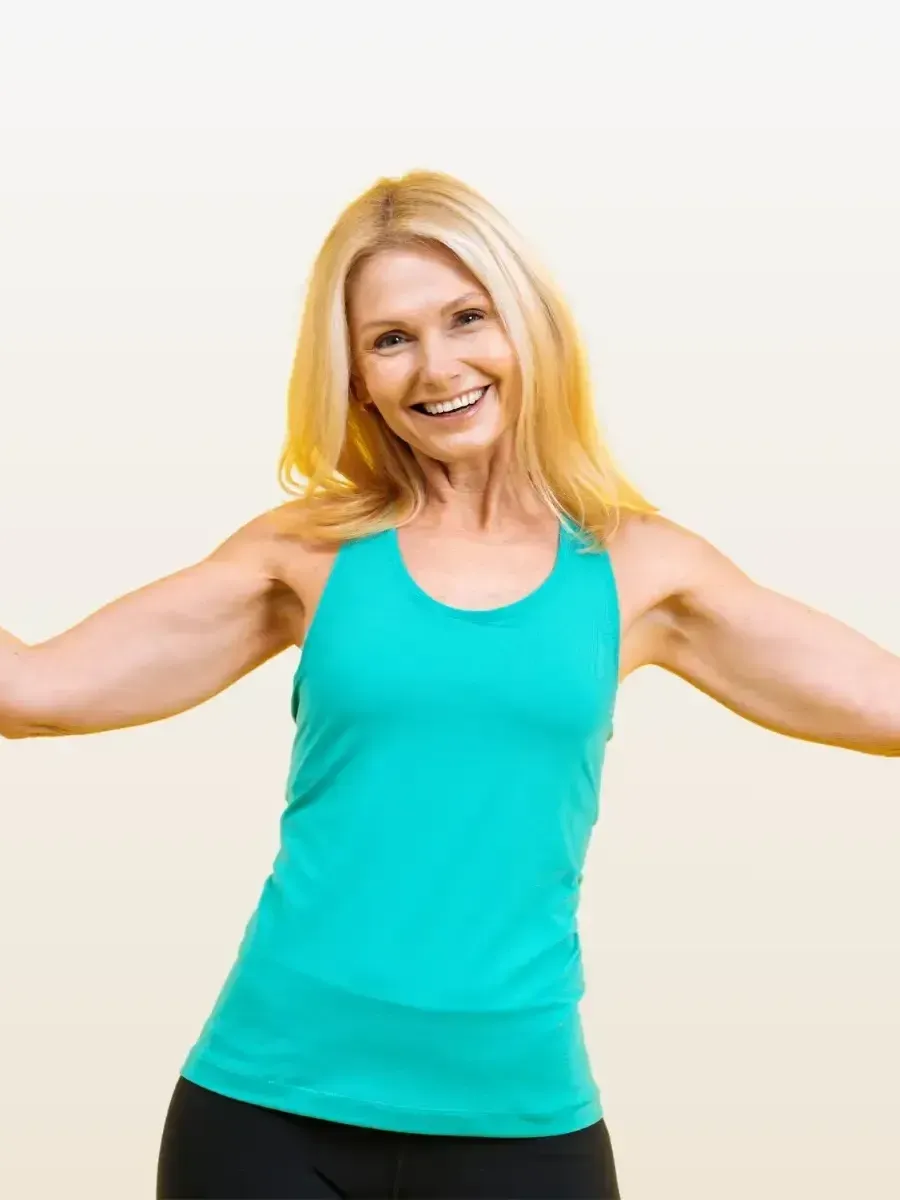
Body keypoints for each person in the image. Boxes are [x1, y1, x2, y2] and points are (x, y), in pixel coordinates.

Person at [1, 169, 897, 1200]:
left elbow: (882, 703)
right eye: (391, 339)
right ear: (356, 380)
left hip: (520, 1126)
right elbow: (32, 689)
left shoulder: (641, 571)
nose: (439, 366)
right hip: (266, 1116)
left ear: (528, 328)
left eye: (468, 318)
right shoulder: (309, 555)